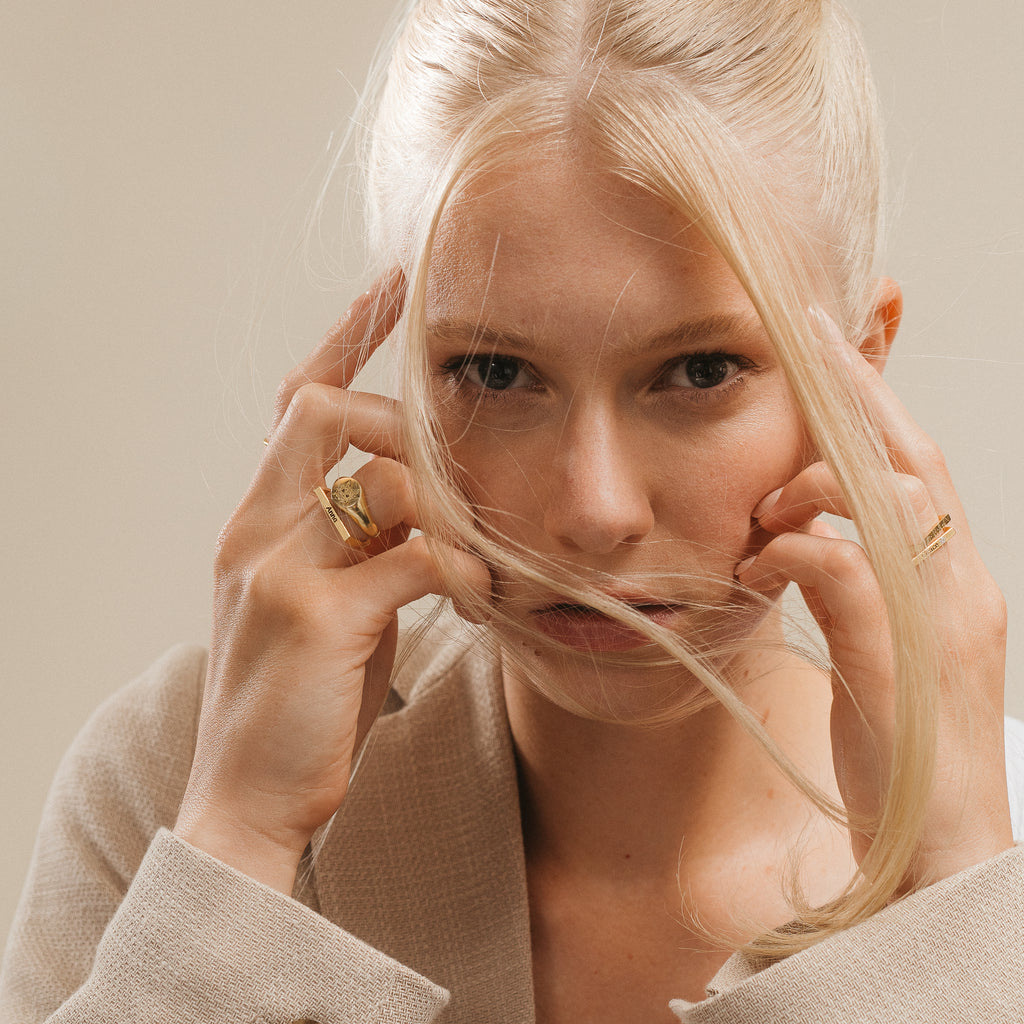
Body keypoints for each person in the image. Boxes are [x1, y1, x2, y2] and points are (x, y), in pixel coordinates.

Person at [3, 0, 1023, 1021]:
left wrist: (953, 899)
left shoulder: (1003, 845)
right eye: (494, 371)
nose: (594, 509)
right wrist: (239, 843)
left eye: (699, 370)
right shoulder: (178, 783)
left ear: (861, 369)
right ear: (397, 364)